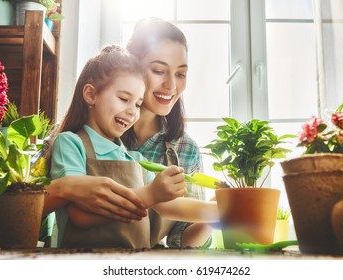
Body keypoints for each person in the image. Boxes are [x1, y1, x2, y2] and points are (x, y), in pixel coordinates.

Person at [48, 44, 218, 248]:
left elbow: (168, 205)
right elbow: (81, 215)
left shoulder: (135, 160)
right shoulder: (71, 143)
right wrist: (150, 194)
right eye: (123, 99)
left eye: (137, 104)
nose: (132, 112)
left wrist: (218, 211)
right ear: (91, 94)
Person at [121, 18, 213, 248]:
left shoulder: (185, 150)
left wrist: (217, 213)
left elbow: (183, 241)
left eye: (180, 74)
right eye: (159, 70)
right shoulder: (90, 133)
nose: (171, 85)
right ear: (131, 66)